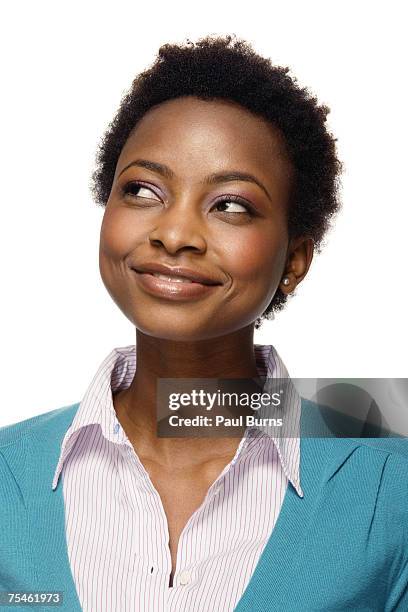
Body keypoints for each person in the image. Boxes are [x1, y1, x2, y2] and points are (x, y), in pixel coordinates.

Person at [1, 35, 407, 612]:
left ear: (294, 261)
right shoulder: (6, 477)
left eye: (231, 205)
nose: (175, 233)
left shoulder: (391, 490)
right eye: (142, 190)